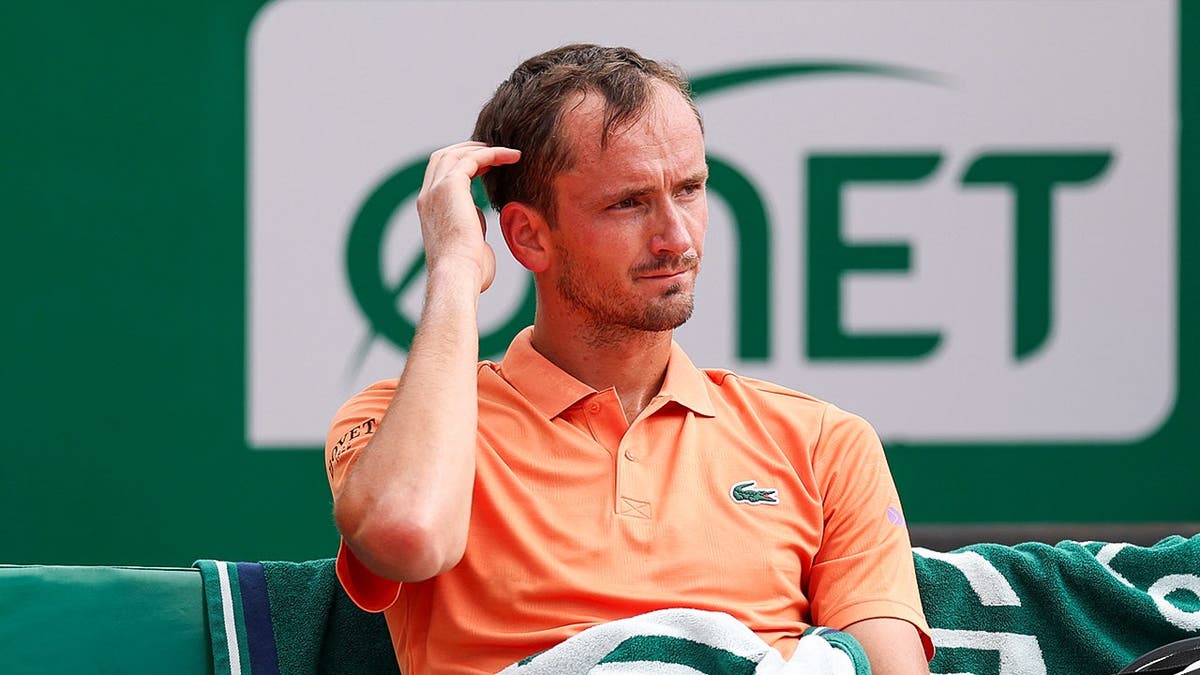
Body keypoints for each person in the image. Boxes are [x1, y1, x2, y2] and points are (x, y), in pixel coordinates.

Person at [325, 44, 933, 674]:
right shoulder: (402, 421)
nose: (678, 238)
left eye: (690, 190)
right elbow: (405, 535)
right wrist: (453, 271)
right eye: (630, 203)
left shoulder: (823, 442)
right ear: (528, 236)